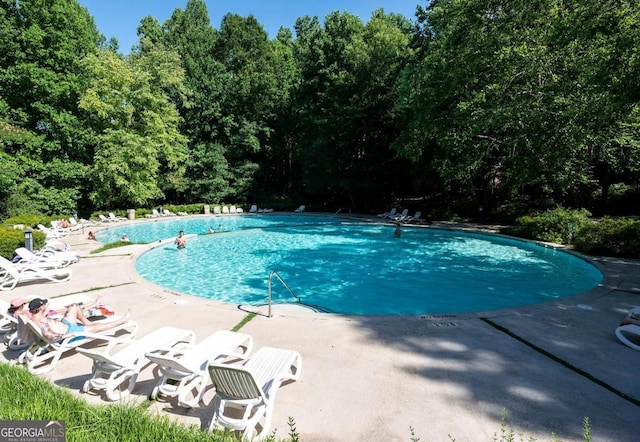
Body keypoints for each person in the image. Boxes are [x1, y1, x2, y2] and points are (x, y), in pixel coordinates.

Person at [29, 298, 131, 343]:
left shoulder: (34, 317)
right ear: (41, 307)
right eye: (43, 305)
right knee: (98, 326)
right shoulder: (42, 322)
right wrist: (69, 335)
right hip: (70, 332)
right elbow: (50, 336)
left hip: (66, 325)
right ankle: (122, 321)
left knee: (74, 306)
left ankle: (87, 323)